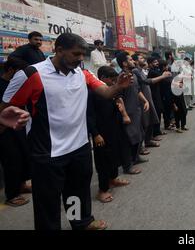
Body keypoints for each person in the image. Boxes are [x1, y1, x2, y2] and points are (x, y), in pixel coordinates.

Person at [0, 33, 134, 230]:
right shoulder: (31, 74)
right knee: (48, 202)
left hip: (79, 148)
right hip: (48, 154)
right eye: (76, 54)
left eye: (83, 55)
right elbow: (5, 109)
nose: (81, 58)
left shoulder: (83, 73)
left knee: (77, 192)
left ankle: (80, 223)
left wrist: (118, 87)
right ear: (59, 50)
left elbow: (106, 92)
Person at [87, 66, 131, 204]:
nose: (113, 82)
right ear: (102, 78)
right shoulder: (92, 93)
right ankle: (102, 189)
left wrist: (122, 112)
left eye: (114, 80)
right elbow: (89, 116)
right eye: (111, 80)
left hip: (115, 129)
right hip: (102, 132)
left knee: (115, 156)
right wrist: (95, 134)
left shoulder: (113, 91)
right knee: (103, 162)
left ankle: (113, 178)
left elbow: (118, 102)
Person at [0, 57, 32, 207]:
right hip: (4, 129)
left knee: (24, 156)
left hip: (19, 126)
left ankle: (22, 184)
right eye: (19, 72)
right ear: (11, 70)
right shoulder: (2, 84)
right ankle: (11, 195)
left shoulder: (20, 84)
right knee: (12, 161)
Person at [116, 52, 149, 168]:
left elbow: (138, 90)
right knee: (129, 139)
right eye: (130, 59)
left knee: (139, 135)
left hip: (137, 110)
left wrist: (145, 101)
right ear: (124, 63)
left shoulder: (133, 75)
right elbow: (118, 97)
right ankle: (128, 165)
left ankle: (136, 158)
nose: (133, 61)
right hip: (129, 113)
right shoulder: (121, 77)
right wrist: (124, 114)